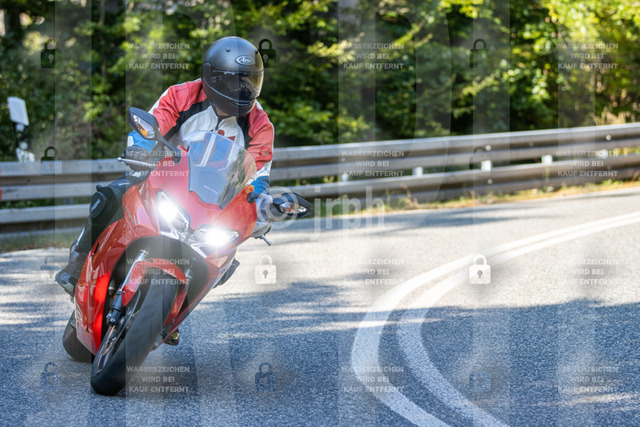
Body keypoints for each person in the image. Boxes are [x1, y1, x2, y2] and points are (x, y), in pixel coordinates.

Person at [55, 36, 274, 296]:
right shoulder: (181, 95)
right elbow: (152, 125)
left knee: (224, 258)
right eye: (232, 80)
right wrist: (140, 150)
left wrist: (260, 203)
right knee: (110, 196)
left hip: (214, 201)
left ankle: (179, 304)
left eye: (249, 81)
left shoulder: (260, 124)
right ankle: (78, 261)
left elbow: (258, 174)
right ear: (213, 77)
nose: (241, 89)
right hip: (163, 178)